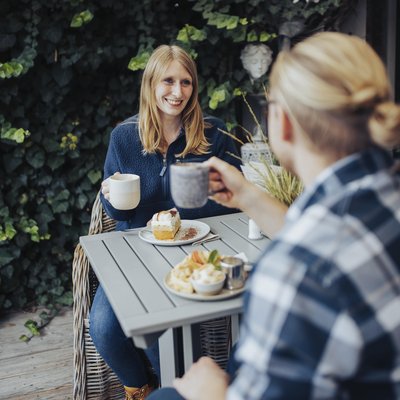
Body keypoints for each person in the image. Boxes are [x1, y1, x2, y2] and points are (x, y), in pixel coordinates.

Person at [148, 32, 400, 399]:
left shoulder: (292, 271)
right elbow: (325, 238)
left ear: (281, 123)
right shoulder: (377, 196)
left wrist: (208, 392)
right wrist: (249, 196)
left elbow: (312, 258)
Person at [89, 45, 249, 400]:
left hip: (199, 247)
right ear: (151, 84)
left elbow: (234, 199)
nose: (178, 92)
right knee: (102, 326)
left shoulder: (214, 134)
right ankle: (140, 388)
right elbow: (119, 215)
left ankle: (174, 389)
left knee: (163, 327)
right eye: (168, 81)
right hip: (136, 250)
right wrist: (109, 197)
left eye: (186, 82)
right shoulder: (124, 137)